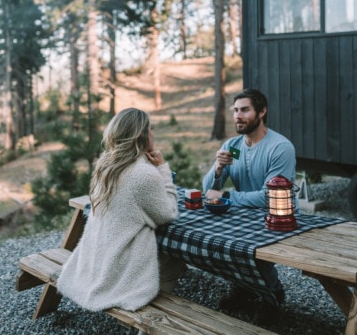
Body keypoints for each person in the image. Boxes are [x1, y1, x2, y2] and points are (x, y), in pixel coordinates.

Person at [57, 108, 185, 312]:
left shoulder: (105, 166)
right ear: (142, 135)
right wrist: (162, 168)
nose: (153, 133)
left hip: (98, 255)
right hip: (121, 262)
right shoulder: (144, 174)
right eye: (150, 129)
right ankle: (151, 322)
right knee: (175, 262)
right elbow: (167, 214)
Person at [202, 88, 296, 311]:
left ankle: (272, 293)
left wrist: (226, 195)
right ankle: (243, 287)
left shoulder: (280, 148)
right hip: (245, 213)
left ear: (262, 112)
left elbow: (270, 196)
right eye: (235, 110)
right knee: (216, 241)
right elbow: (207, 190)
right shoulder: (232, 148)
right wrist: (218, 168)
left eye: (245, 110)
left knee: (252, 249)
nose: (238, 116)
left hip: (278, 217)